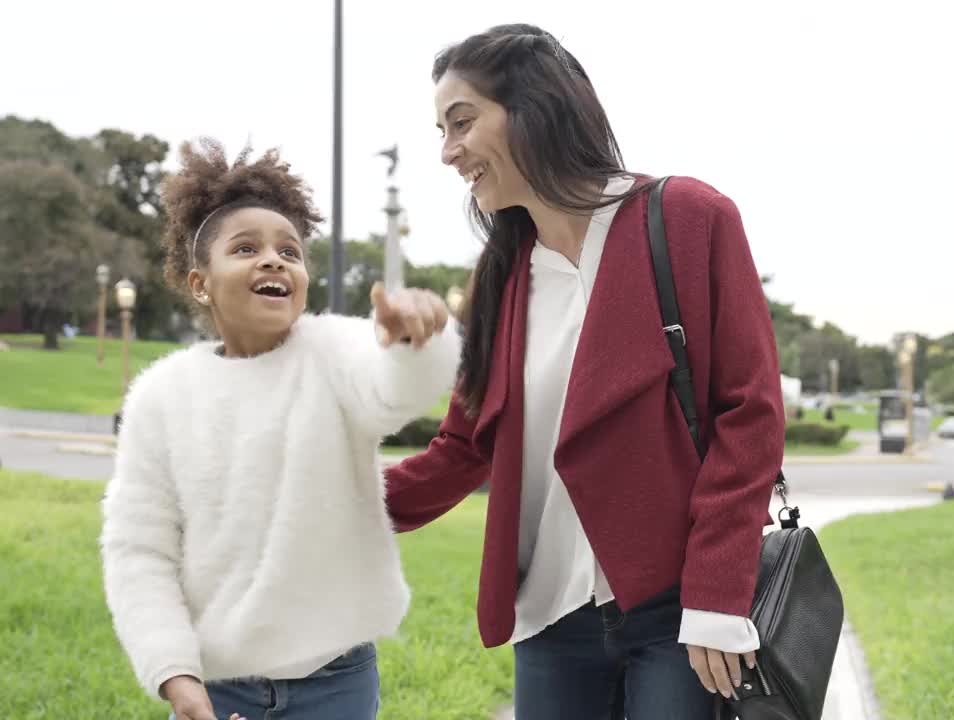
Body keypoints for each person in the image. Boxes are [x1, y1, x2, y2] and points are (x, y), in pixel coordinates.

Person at [382, 24, 785, 720]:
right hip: (549, 623)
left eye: (462, 122)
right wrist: (327, 503)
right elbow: (462, 449)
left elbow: (748, 413)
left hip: (677, 613)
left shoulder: (687, 218)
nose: (448, 152)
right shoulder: (500, 277)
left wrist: (717, 592)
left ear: (535, 107)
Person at [100, 139, 460, 720]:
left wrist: (414, 341)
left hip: (336, 681)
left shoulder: (334, 352)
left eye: (289, 251)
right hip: (216, 685)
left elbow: (394, 388)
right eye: (246, 249)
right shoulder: (160, 398)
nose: (274, 260)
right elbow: (139, 550)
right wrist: (175, 674)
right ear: (200, 283)